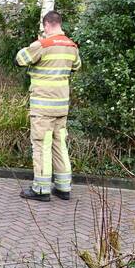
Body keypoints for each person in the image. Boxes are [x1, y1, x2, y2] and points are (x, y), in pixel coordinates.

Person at [15, 11, 81, 202]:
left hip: (43, 107)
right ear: (60, 24)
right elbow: (76, 66)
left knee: (42, 145)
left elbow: (20, 59)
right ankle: (63, 187)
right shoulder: (71, 46)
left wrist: (34, 43)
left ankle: (41, 189)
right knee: (60, 144)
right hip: (62, 106)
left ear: (46, 25)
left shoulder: (42, 44)